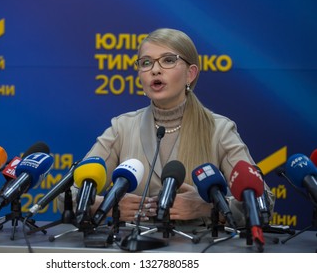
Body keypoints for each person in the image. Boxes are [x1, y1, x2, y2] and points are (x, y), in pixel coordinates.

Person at [59, 28, 275, 227]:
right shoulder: (122, 128)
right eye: (146, 63)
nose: (155, 70)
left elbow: (261, 201)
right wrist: (106, 205)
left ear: (190, 74)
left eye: (168, 60)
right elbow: (66, 196)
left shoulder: (219, 130)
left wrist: (206, 208)